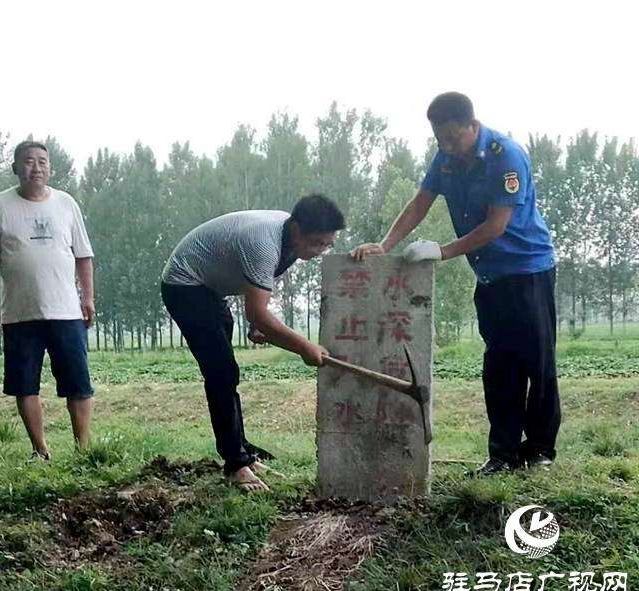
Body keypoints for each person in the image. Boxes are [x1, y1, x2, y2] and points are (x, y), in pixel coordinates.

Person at [352, 92, 560, 476]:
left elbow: (497, 226)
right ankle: (503, 454)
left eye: (454, 139)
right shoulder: (446, 160)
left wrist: (443, 251)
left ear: (472, 126)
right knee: (498, 365)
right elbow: (420, 202)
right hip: (490, 276)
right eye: (440, 141)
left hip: (528, 271)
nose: (448, 147)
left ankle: (541, 450)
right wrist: (385, 244)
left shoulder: (505, 156)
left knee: (537, 361)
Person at [161, 194, 345, 491]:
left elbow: (259, 298)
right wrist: (304, 347)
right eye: (316, 244)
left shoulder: (290, 238)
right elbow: (258, 313)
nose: (320, 251)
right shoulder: (263, 242)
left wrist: (260, 322)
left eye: (327, 244)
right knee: (221, 372)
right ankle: (236, 464)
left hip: (210, 289)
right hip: (185, 285)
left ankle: (242, 451)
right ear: (297, 228)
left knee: (226, 372)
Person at [0, 141, 96, 460]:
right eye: (28, 161)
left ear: (50, 168)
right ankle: (40, 450)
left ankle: (83, 449)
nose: (36, 167)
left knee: (78, 383)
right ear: (16, 168)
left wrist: (88, 297)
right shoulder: (2, 205)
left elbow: (83, 256)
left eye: (42, 161)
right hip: (18, 313)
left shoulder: (66, 204)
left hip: (65, 311)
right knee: (25, 385)